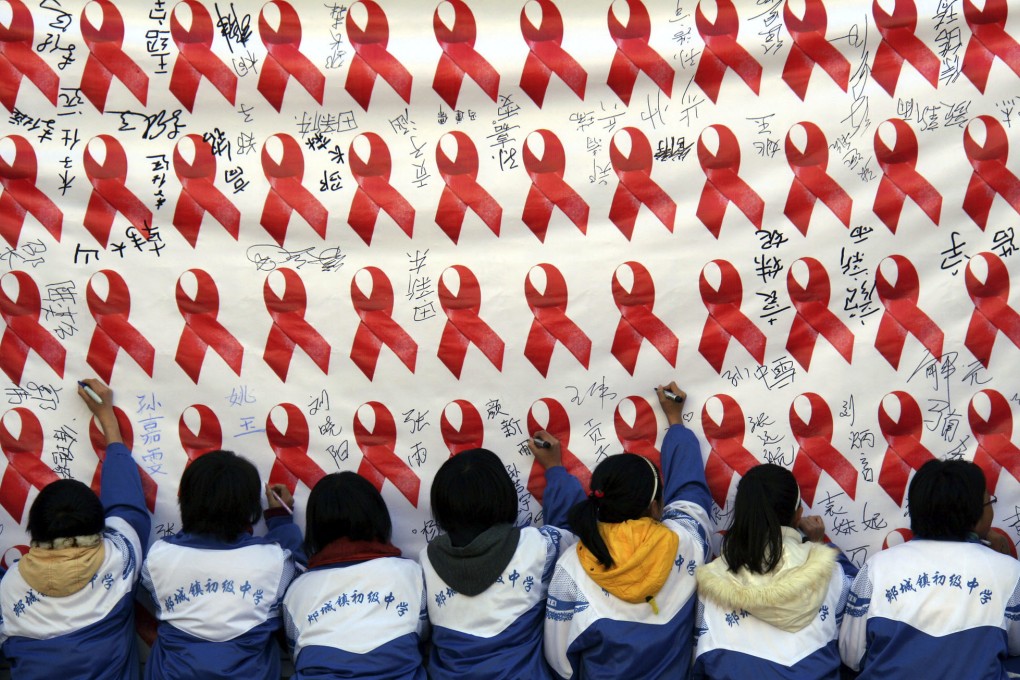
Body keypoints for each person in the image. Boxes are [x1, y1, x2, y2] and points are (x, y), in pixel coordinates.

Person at [543, 382, 714, 679]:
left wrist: (555, 472)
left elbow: (560, 663)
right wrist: (675, 422)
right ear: (656, 507)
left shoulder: (571, 566)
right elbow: (691, 493)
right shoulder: (688, 543)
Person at [0, 379, 150, 679]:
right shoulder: (121, 557)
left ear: (33, 529)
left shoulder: (8, 588)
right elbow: (127, 503)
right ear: (101, 524)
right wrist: (107, 417)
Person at [839, 459, 1020, 679]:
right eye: (989, 502)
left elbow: (851, 655)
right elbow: (1016, 646)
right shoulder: (1009, 572)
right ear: (975, 514)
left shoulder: (876, 569)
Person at [419, 441, 582, 680]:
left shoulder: (425, 562)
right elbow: (572, 533)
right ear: (504, 495)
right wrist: (554, 469)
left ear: (441, 507)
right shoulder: (539, 546)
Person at [140, 450, 303, 680]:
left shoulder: (158, 558)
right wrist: (280, 518)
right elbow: (301, 578)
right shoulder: (275, 561)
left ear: (185, 500)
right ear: (250, 507)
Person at [692, 464, 857, 679]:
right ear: (798, 515)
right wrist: (820, 544)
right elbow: (860, 601)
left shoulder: (710, 582)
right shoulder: (831, 572)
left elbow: (699, 665)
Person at [282, 471, 427, 678]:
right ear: (377, 516)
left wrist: (279, 522)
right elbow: (425, 636)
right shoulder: (410, 574)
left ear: (315, 527)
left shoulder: (297, 590)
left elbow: (296, 653)